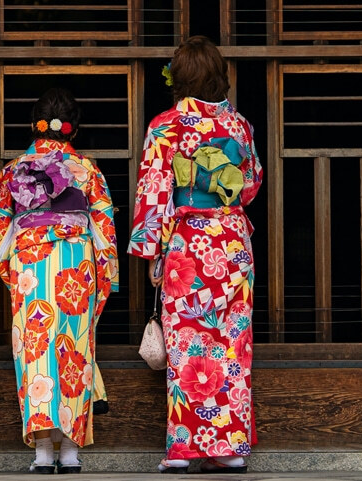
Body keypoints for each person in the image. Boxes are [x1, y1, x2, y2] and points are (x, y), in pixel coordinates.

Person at [127, 35, 262, 474]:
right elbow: (252, 183)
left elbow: (154, 190)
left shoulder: (166, 125)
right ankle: (230, 447)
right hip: (233, 240)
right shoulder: (239, 126)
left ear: (178, 78)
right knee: (231, 343)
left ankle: (186, 447)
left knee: (188, 342)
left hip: (189, 244)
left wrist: (151, 250)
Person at [0, 88, 119, 475]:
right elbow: (106, 228)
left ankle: (43, 452)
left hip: (30, 263)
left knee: (35, 349)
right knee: (74, 349)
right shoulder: (88, 170)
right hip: (76, 263)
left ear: (35, 126)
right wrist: (103, 274)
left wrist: (12, 270)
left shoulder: (13, 170)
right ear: (73, 131)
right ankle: (71, 453)